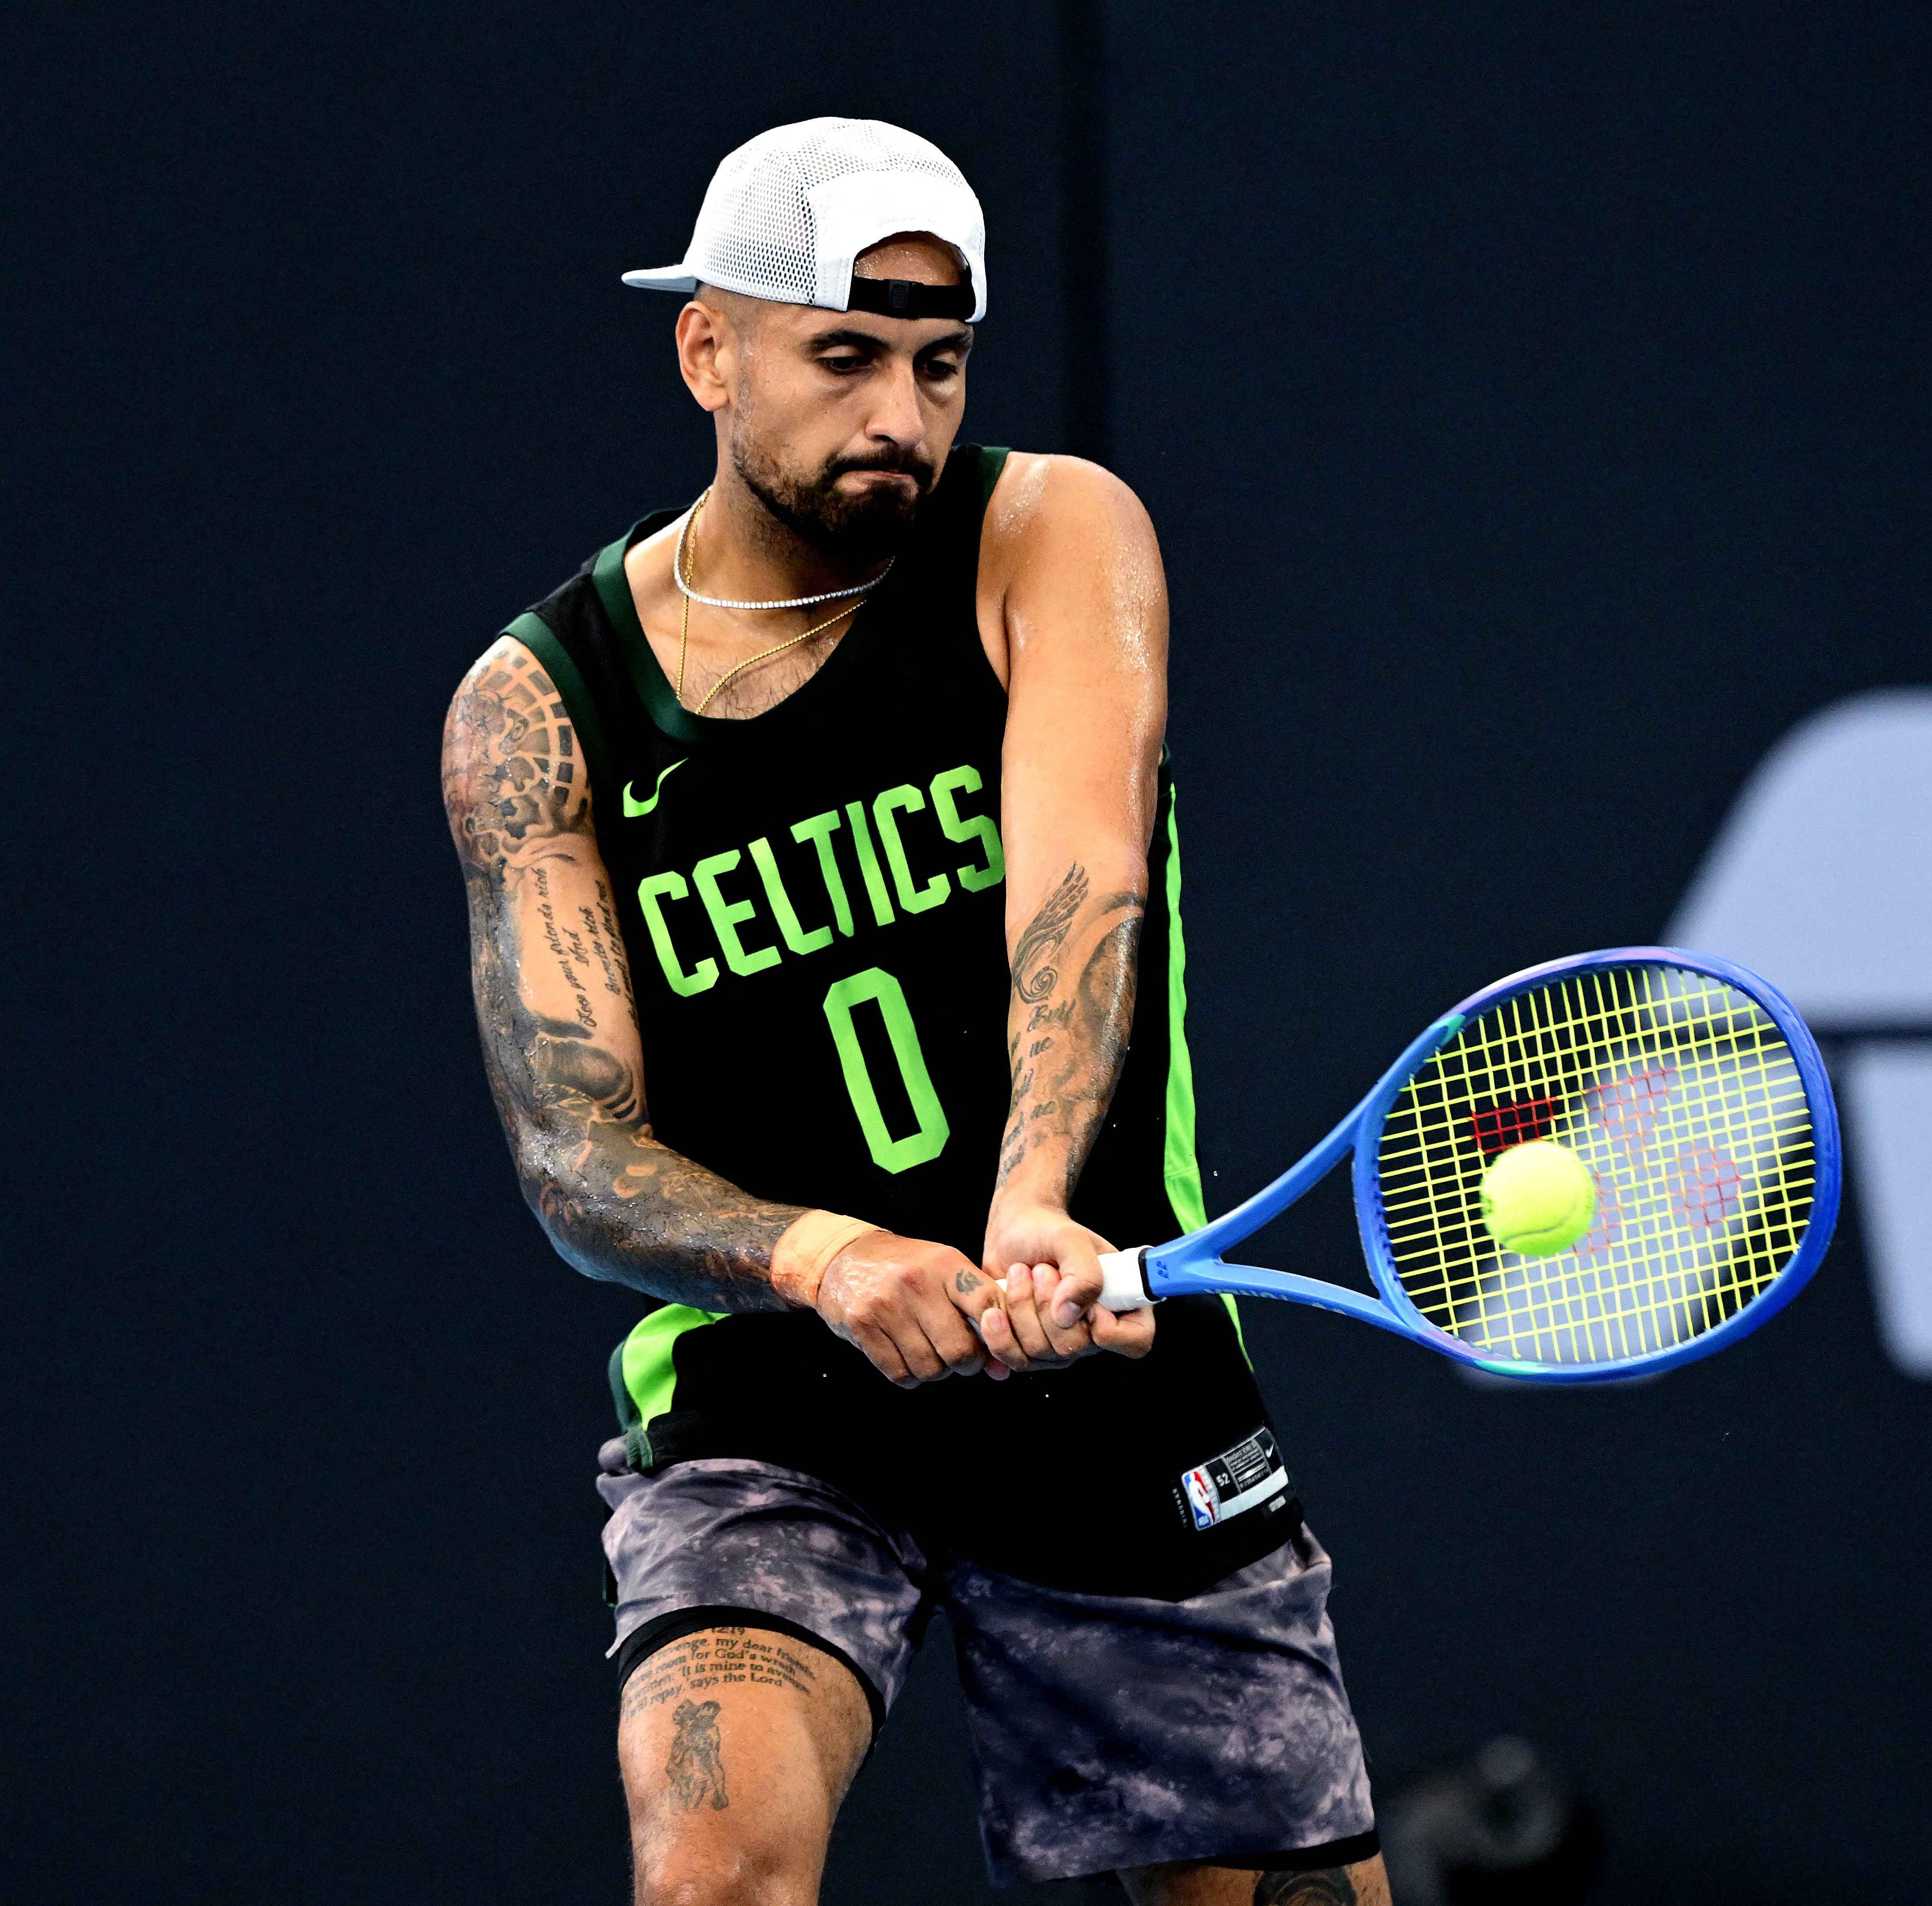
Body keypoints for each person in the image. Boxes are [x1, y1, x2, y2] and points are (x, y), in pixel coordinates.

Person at [440, 118, 1387, 1906]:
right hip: (767, 1392)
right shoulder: (536, 710)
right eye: (844, 356)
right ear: (707, 349)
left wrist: (1034, 1197)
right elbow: (574, 1151)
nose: (900, 412)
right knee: (713, 1870)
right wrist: (819, 1257)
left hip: (1101, 1359)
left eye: (937, 364)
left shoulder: (1049, 531)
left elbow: (1079, 881)